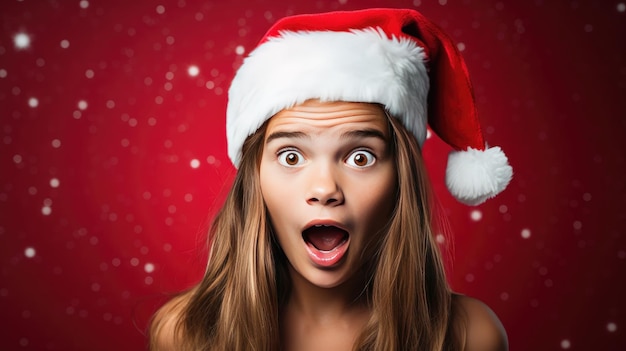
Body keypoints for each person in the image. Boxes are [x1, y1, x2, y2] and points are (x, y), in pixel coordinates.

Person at [149, 8, 512, 351]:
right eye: (291, 156)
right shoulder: (184, 334)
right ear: (254, 180)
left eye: (360, 157)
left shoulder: (470, 336)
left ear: (401, 178)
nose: (325, 189)